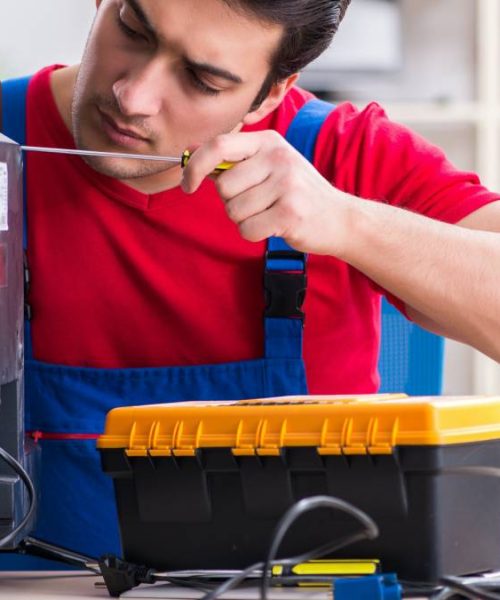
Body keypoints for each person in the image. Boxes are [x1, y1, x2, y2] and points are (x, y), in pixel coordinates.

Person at [1, 0, 499, 558]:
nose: (132, 96)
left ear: (270, 94)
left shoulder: (346, 154)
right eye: (134, 29)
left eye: (203, 79)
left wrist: (348, 221)